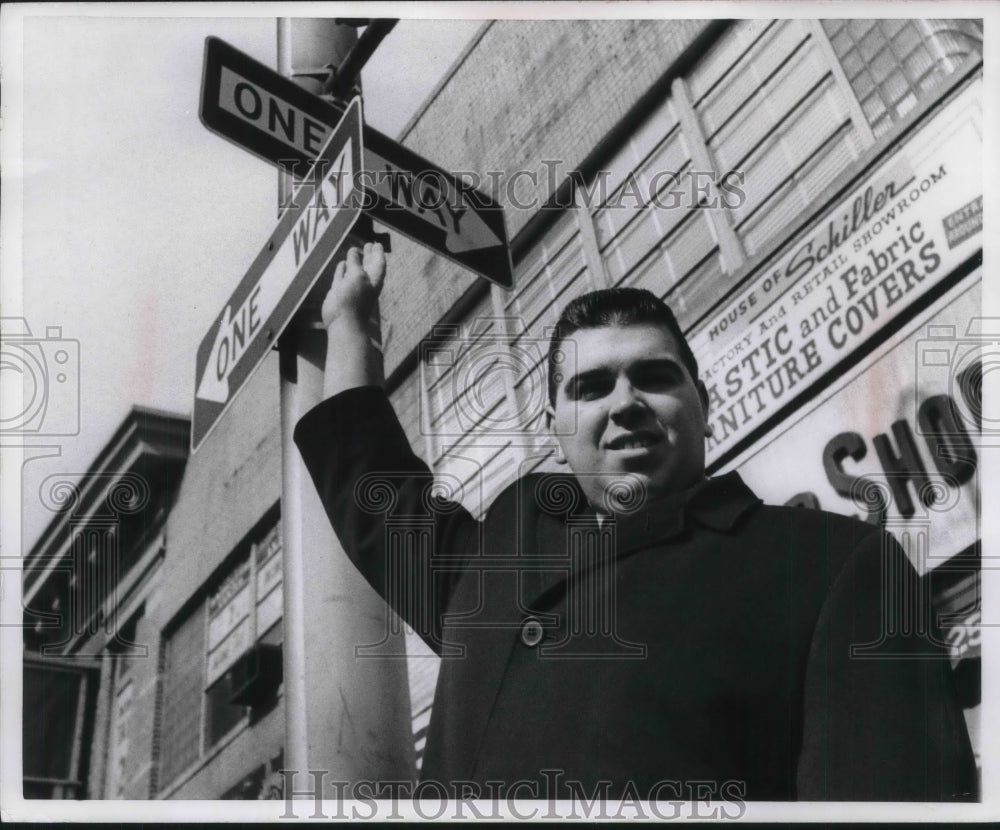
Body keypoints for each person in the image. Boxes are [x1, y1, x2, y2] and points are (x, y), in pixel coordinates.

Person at [294, 242, 977, 801]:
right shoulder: (499, 558)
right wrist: (353, 324)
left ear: (703, 406)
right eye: (590, 387)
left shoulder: (830, 564)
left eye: (652, 377)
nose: (624, 403)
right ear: (558, 430)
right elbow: (374, 492)